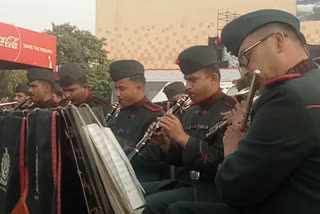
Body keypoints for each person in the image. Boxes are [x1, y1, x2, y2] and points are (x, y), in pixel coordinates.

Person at [169, 9, 320, 214]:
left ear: (278, 41)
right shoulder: (312, 84)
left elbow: (234, 189)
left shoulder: (286, 97)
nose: (246, 71)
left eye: (246, 57)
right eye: (241, 65)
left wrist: (233, 145)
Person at [142, 45, 235, 214]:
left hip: (213, 188)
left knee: (151, 204)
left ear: (213, 78)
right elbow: (182, 159)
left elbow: (220, 162)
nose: (187, 86)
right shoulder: (191, 111)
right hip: (189, 183)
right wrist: (165, 143)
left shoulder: (232, 110)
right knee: (137, 192)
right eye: (186, 80)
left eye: (193, 80)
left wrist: (181, 137)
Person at [107, 59, 164, 182]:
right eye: (116, 88)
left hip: (144, 180)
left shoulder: (155, 115)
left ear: (139, 88)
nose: (117, 94)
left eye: (122, 89)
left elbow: (151, 158)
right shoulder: (120, 113)